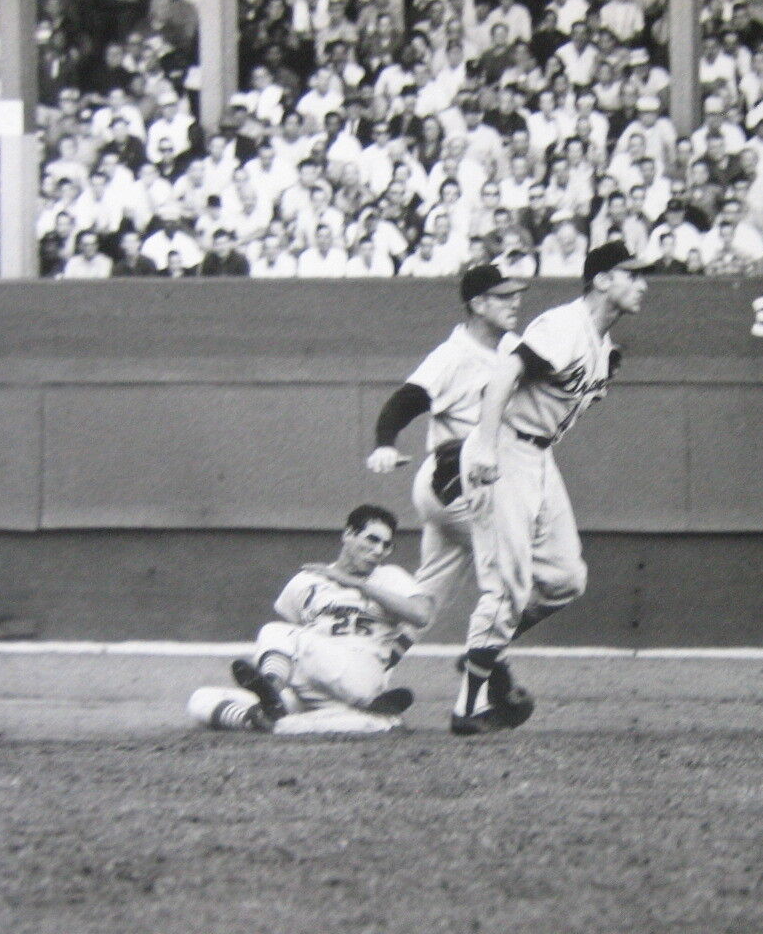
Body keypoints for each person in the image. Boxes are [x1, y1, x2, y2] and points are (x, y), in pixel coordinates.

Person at [454, 241, 649, 735]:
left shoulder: (604, 348)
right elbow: (504, 375)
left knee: (564, 578)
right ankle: (468, 709)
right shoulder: (565, 326)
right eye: (631, 274)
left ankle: (485, 651)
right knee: (508, 585)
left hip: (539, 455)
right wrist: (483, 445)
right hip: (505, 448)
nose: (642, 283)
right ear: (602, 279)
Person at [367, 264, 530, 694]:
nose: (515, 302)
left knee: (426, 598)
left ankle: (369, 667)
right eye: (502, 296)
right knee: (518, 568)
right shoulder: (453, 355)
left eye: (516, 294)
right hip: (457, 479)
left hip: (455, 485)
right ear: (477, 305)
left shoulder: (511, 346)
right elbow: (408, 398)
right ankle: (488, 666)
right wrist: (385, 441)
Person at [186, 504, 426, 736]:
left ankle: (271, 688)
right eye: (372, 539)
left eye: (386, 545)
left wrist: (357, 585)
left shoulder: (389, 577)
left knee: (277, 632)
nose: (379, 550)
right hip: (315, 683)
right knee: (201, 699)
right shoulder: (308, 580)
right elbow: (295, 639)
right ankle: (262, 719)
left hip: (360, 673)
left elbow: (420, 615)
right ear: (349, 534)